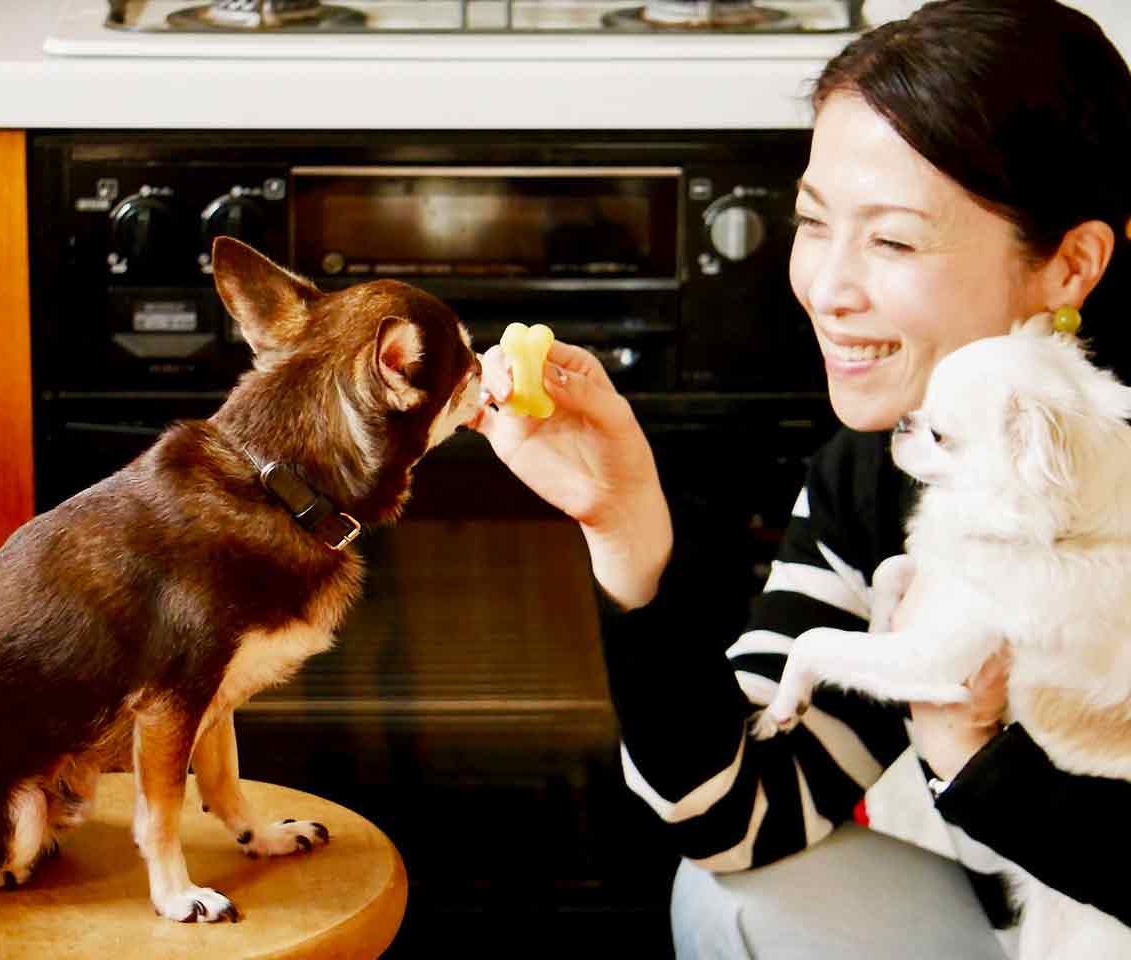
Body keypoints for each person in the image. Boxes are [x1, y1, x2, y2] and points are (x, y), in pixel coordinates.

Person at [471, 1, 1131, 956]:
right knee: (738, 902)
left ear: (1070, 265)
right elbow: (734, 817)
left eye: (894, 241)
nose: (827, 287)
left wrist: (973, 757)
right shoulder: (886, 467)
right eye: (815, 224)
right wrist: (625, 528)